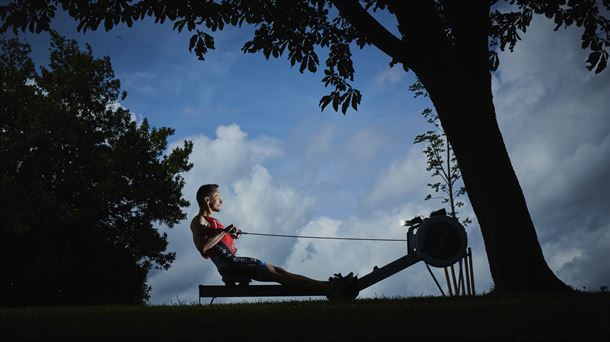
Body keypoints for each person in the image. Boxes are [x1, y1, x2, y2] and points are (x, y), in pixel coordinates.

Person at [190, 184, 357, 299]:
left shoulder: (214, 223)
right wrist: (224, 231)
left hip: (231, 266)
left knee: (279, 274)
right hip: (232, 264)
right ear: (207, 200)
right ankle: (330, 287)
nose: (221, 201)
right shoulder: (199, 221)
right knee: (279, 273)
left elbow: (215, 244)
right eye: (218, 198)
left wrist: (230, 235)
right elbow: (203, 248)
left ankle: (327, 286)